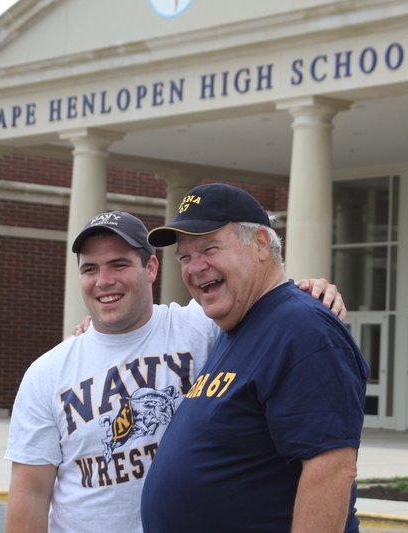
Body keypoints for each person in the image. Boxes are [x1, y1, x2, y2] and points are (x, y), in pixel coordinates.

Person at [3, 210, 346, 533]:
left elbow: (256, 294)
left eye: (118, 265)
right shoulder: (46, 372)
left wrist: (309, 290)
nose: (103, 281)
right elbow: (30, 492)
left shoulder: (201, 326)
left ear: (151, 268)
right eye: (89, 269)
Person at [141, 183, 370, 533]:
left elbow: (331, 471)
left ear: (261, 244)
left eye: (209, 248)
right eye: (185, 257)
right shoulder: (237, 324)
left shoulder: (302, 327)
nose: (195, 267)